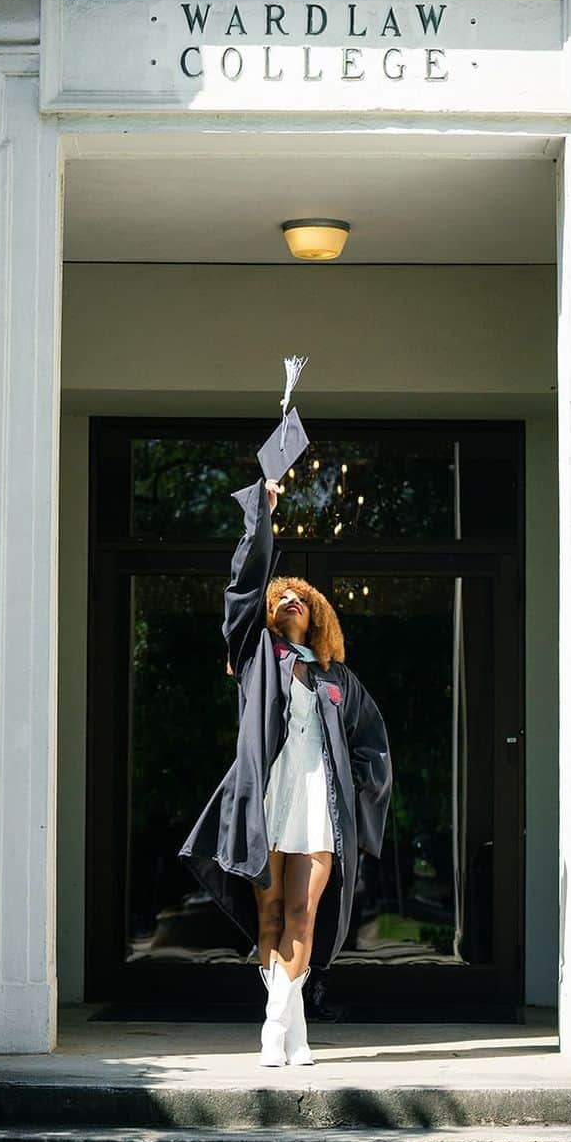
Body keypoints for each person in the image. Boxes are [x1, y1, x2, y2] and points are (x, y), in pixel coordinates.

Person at [178, 436, 393, 1068]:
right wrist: (262, 514)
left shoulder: (337, 680)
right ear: (270, 615)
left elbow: (372, 744)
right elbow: (244, 588)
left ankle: (275, 1025)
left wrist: (354, 788)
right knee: (269, 911)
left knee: (304, 909)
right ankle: (290, 1033)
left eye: (299, 595)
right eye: (281, 596)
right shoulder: (256, 657)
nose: (288, 598)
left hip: (320, 801)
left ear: (318, 613)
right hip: (268, 797)